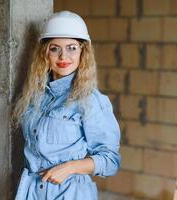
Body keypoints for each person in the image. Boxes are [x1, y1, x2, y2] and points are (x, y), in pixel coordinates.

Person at [12, 11, 121, 200]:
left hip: (69, 194)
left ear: (82, 52)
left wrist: (70, 168)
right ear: (45, 53)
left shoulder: (90, 100)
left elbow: (110, 160)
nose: (63, 56)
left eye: (71, 48)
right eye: (55, 48)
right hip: (31, 192)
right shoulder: (34, 95)